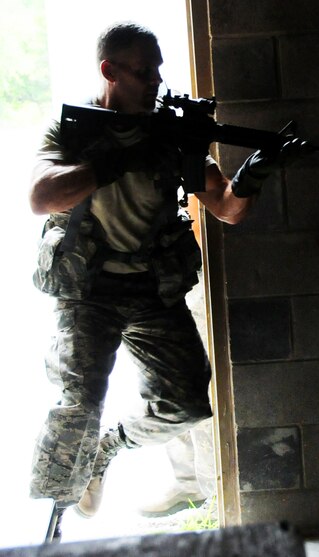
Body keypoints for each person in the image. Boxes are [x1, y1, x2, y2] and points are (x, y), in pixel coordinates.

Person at [27, 21, 280, 540]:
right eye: (144, 72)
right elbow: (42, 197)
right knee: (78, 404)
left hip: (150, 292)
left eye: (159, 69)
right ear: (109, 72)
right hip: (88, 292)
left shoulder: (170, 134)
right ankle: (49, 527)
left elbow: (227, 208)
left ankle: (107, 452)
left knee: (185, 401)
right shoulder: (75, 132)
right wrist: (114, 163)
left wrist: (253, 174)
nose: (156, 81)